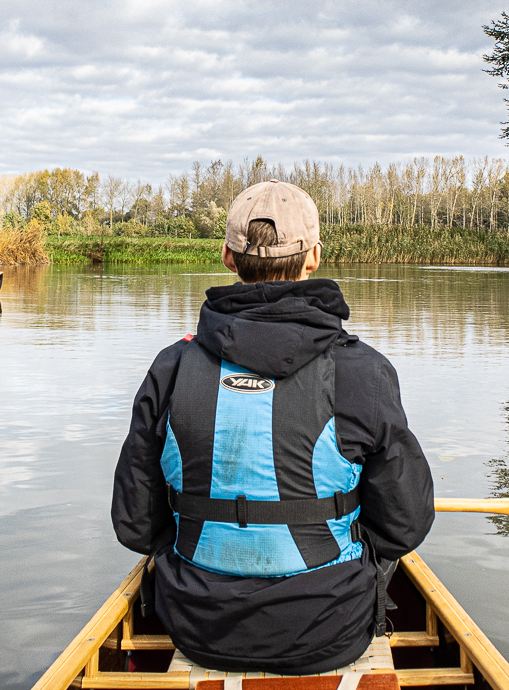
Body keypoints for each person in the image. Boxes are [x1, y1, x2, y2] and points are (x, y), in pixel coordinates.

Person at [111, 180, 434, 675]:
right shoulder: (363, 372)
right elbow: (406, 523)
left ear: (227, 256)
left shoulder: (171, 368)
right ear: (314, 258)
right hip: (331, 630)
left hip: (198, 624)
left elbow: (135, 524)